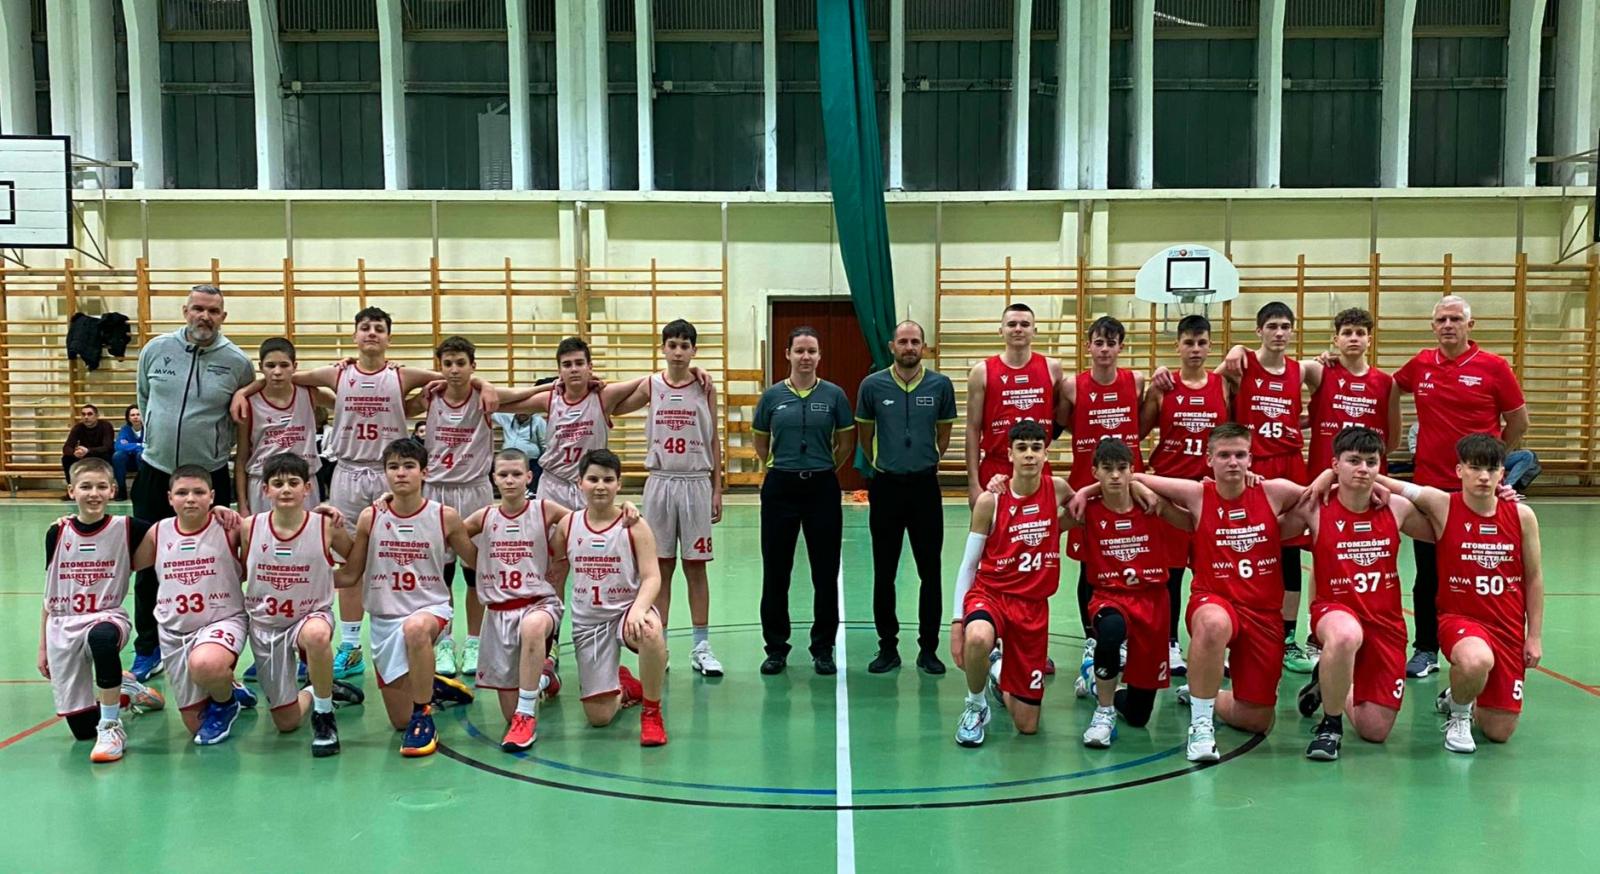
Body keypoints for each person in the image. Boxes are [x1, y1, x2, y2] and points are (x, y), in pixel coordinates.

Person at [231, 306, 501, 682]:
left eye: (378, 328)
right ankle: (351, 645)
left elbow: (456, 376)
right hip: (348, 471)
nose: (371, 333)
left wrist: (487, 385)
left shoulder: (402, 375)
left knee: (406, 558)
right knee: (350, 559)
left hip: (391, 472)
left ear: (388, 337)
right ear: (355, 335)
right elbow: (281, 377)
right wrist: (245, 390)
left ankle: (417, 632)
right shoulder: (336, 373)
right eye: (365, 327)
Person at [1133, 423, 1313, 762]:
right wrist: (1139, 494)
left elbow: (1322, 496)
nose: (1233, 462)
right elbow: (1133, 478)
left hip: (1263, 613)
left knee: (1257, 720)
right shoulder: (1198, 494)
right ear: (1209, 460)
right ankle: (1201, 724)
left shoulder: (1274, 491)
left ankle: (1205, 694)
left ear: (1251, 459)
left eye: (1240, 455)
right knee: (1213, 624)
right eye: (1225, 455)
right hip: (1214, 600)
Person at [1374, 434, 1543, 754]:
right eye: (1475, 467)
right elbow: (1389, 484)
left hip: (1507, 627)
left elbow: (1534, 578)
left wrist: (1533, 636)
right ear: (1459, 470)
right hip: (1461, 619)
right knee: (1476, 659)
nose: (1483, 476)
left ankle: (1457, 692)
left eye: (1491, 469)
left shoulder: (1522, 516)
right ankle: (1460, 715)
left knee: (1499, 731)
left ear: (1502, 473)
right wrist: (1329, 475)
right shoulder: (1443, 504)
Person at [1393, 296, 1528, 679]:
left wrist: (1490, 463)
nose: (1448, 325)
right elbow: (1385, 386)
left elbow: (1519, 421)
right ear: (1432, 326)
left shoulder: (1494, 367)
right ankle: (1426, 649)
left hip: (1477, 493)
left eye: (1455, 319)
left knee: (1475, 572)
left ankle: (1482, 646)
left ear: (1471, 324)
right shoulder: (1421, 364)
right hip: (1430, 489)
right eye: (1441, 320)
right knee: (1427, 575)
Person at [1280, 426, 1435, 761]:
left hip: (1385, 623)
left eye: (1371, 462)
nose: (1363, 469)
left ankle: (1330, 682)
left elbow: (1446, 524)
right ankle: (1330, 727)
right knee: (1346, 635)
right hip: (1335, 610)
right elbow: (1265, 528)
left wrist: (1495, 499)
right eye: (1353, 461)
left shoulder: (1396, 507)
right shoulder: (1315, 506)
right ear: (1336, 464)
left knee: (1374, 730)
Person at [130, 284, 256, 682]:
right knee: (149, 565)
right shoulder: (155, 350)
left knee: (214, 566)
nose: (205, 317)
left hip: (209, 475)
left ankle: (217, 648)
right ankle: (148, 648)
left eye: (213, 311)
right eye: (198, 309)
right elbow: (145, 398)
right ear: (185, 310)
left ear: (223, 317)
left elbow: (242, 414)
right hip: (156, 472)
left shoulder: (237, 363)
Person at [335, 438, 478, 757]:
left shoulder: (445, 517)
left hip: (431, 610)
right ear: (385, 473)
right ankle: (432, 683)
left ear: (424, 472)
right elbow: (350, 574)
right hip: (385, 619)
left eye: (409, 466)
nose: (401, 473)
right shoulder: (371, 517)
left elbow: (477, 562)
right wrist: (305, 578)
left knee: (415, 629)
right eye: (393, 467)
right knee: (400, 721)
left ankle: (424, 714)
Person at [603, 320, 726, 676]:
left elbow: (713, 438)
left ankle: (701, 646)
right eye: (672, 345)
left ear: (694, 351)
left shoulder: (705, 386)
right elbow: (614, 406)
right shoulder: (652, 385)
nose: (678, 352)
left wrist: (717, 488)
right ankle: (661, 645)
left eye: (685, 345)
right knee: (660, 568)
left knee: (696, 567)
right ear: (663, 349)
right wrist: (632, 382)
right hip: (660, 482)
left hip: (696, 482)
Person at [1064, 440, 1191, 748]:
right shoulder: (1086, 510)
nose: (1115, 476)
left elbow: (1194, 520)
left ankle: (1096, 682)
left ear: (1133, 471)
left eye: (1122, 469)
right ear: (1095, 472)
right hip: (1110, 597)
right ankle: (1104, 711)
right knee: (1110, 632)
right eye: (1107, 469)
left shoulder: (1153, 504)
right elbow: (1044, 525)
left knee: (1138, 715)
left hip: (1153, 600)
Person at [949, 421, 1068, 747]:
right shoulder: (992, 500)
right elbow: (969, 564)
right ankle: (976, 705)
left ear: (1045, 455)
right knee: (978, 637)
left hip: (1032, 606)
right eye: (1022, 448)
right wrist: (958, 622)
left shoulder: (1057, 489)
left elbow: (1087, 504)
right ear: (1010, 454)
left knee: (1027, 725)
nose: (1029, 454)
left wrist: (1139, 487)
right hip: (991, 594)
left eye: (1036, 448)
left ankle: (998, 672)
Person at [38, 458, 164, 763]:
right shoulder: (57, 532)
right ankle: (126, 687)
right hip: (63, 623)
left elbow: (175, 531)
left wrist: (220, 514)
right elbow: (49, 594)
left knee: (102, 639)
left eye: (101, 486)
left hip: (106, 616)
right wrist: (43, 646)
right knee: (82, 731)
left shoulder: (128, 527)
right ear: (71, 491)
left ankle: (110, 726)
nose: (93, 493)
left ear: (112, 490)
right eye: (85, 487)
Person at [1220, 302, 1321, 675]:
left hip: (1291, 465)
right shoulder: (1243, 363)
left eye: (1285, 326)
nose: (1279, 333)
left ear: (1293, 330)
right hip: (1254, 468)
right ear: (1259, 330)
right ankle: (1236, 636)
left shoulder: (1301, 370)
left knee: (1290, 556)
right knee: (1245, 551)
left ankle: (1288, 639)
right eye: (1272, 326)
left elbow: (1335, 378)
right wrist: (1233, 350)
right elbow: (1208, 383)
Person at [239, 453, 362, 756]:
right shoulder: (248, 527)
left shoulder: (326, 526)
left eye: (293, 483)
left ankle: (324, 715)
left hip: (310, 615)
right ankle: (319, 688)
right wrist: (218, 510)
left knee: (317, 636)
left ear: (307, 488)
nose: (286, 489)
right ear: (265, 489)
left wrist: (321, 580)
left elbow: (353, 569)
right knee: (287, 722)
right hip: (267, 626)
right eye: (278, 483)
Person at [855, 320, 956, 675]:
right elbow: (865, 436)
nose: (909, 347)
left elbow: (943, 434)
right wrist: (886, 463)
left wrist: (923, 460)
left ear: (923, 347)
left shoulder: (940, 385)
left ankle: (928, 649)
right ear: (891, 346)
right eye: (903, 341)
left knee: (930, 572)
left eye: (915, 341)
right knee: (884, 573)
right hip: (886, 487)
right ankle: (888, 647)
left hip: (925, 488)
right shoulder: (872, 385)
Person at [753, 326, 855, 675]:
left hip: (821, 488)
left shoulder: (834, 395)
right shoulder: (771, 397)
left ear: (819, 355)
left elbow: (845, 443)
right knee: (776, 572)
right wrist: (784, 466)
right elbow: (761, 442)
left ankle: (822, 648)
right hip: (780, 488)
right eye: (799, 350)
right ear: (788, 354)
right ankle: (776, 648)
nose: (806, 357)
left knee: (824, 573)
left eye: (812, 351)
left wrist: (821, 467)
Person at [551, 449, 669, 746]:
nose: (600, 486)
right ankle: (625, 686)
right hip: (589, 621)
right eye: (593, 479)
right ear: (580, 482)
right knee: (599, 718)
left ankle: (652, 713)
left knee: (650, 630)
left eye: (608, 480)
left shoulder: (634, 525)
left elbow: (652, 576)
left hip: (626, 611)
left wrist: (639, 609)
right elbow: (553, 570)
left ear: (619, 484)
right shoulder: (568, 525)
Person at [130, 466, 255, 746]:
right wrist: (71, 527)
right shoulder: (158, 532)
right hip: (174, 632)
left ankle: (225, 704)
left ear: (212, 496)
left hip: (221, 620)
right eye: (182, 493)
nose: (190, 499)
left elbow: (273, 529)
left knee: (206, 664)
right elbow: (129, 562)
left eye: (199, 492)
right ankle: (228, 686)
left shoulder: (230, 527)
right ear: (169, 498)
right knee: (193, 725)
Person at [1057, 316, 1147, 679]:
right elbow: (1062, 423)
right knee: (1089, 565)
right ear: (1088, 346)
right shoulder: (1071, 386)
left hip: (1127, 487)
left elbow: (1143, 424)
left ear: (1121, 347)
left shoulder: (1135, 381)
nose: (1105, 349)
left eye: (1112, 343)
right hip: (1087, 487)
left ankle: (1125, 633)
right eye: (1099, 342)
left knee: (1128, 558)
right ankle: (1092, 637)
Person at [407, 337, 499, 680]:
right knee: (440, 573)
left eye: (461, 363)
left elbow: (528, 397)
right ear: (440, 367)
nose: (455, 369)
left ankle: (474, 640)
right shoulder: (430, 397)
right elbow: (394, 406)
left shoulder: (486, 397)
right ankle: (444, 640)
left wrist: (486, 384)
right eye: (448, 363)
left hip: (474, 490)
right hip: (437, 490)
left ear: (473, 365)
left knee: (475, 572)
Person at [463, 449, 567, 750]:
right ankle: (545, 678)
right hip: (498, 613)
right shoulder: (485, 516)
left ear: (529, 477)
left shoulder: (544, 509)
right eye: (503, 474)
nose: (510, 480)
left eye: (516, 474)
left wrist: (559, 556)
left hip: (538, 604)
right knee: (508, 713)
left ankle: (526, 717)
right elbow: (444, 529)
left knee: (532, 628)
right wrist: (389, 500)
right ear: (494, 479)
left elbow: (583, 520)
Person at [1144, 314, 1228, 677]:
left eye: (1202, 342)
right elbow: (1137, 429)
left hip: (1211, 492)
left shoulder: (1224, 386)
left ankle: (1216, 644)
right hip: (1173, 490)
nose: (1195, 349)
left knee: (1215, 573)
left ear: (1210, 346)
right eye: (1189, 342)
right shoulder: (1163, 387)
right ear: (1176, 346)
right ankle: (1170, 643)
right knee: (1172, 574)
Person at [965, 303, 1065, 506]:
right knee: (992, 526)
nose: (1018, 329)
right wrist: (973, 484)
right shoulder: (982, 371)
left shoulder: (1052, 368)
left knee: (1039, 524)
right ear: (1000, 331)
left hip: (1036, 465)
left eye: (1024, 324)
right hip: (996, 466)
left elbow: (1058, 416)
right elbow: (972, 429)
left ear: (1034, 331)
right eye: (1012, 324)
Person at [235, 338, 332, 513]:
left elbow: (347, 400)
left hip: (303, 481)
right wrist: (242, 504)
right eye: (270, 365)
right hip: (263, 482)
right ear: (260, 367)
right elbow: (241, 457)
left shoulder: (310, 394)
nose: (277, 372)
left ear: (295, 366)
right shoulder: (248, 403)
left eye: (284, 365)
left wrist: (344, 370)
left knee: (308, 530)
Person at [1307, 309, 1400, 470]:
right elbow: (1280, 368)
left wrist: (1362, 459)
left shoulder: (1387, 382)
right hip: (1323, 473)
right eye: (1347, 333)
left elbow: (1392, 442)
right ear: (1336, 340)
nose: (1354, 338)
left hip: (1367, 476)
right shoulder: (1319, 372)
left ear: (1369, 340)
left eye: (1360, 333)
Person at [492, 380, 550, 491]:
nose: (523, 413)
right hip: (508, 459)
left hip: (532, 461)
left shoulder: (538, 421)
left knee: (532, 488)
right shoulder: (507, 417)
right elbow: (491, 409)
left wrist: (544, 463)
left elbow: (544, 444)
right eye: (521, 410)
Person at [61, 404, 115, 498]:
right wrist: (74, 453)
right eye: (83, 414)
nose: (86, 417)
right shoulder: (78, 427)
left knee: (109, 456)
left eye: (89, 414)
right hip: (84, 455)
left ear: (96, 416)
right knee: (66, 459)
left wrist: (88, 450)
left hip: (101, 454)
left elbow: (107, 446)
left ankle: (108, 489)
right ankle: (73, 490)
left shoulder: (106, 426)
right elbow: (67, 447)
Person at [113, 405, 144, 501]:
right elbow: (119, 446)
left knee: (140, 455)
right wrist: (139, 445)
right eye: (132, 415)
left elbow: (151, 447)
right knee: (118, 455)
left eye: (138, 414)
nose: (135, 417)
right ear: (128, 418)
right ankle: (122, 490)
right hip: (128, 462)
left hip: (143, 461)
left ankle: (142, 489)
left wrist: (129, 446)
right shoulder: (125, 429)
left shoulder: (148, 429)